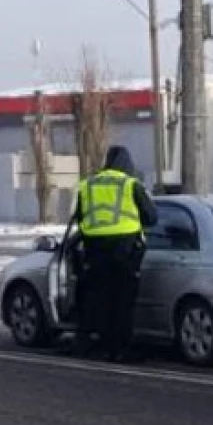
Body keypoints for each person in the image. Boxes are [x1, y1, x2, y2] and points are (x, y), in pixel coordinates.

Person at [71, 145, 158, 362]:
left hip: (94, 250)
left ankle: (98, 344)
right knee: (123, 301)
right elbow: (151, 218)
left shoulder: (88, 185)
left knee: (99, 297)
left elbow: (80, 218)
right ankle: (121, 349)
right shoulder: (130, 184)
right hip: (124, 250)